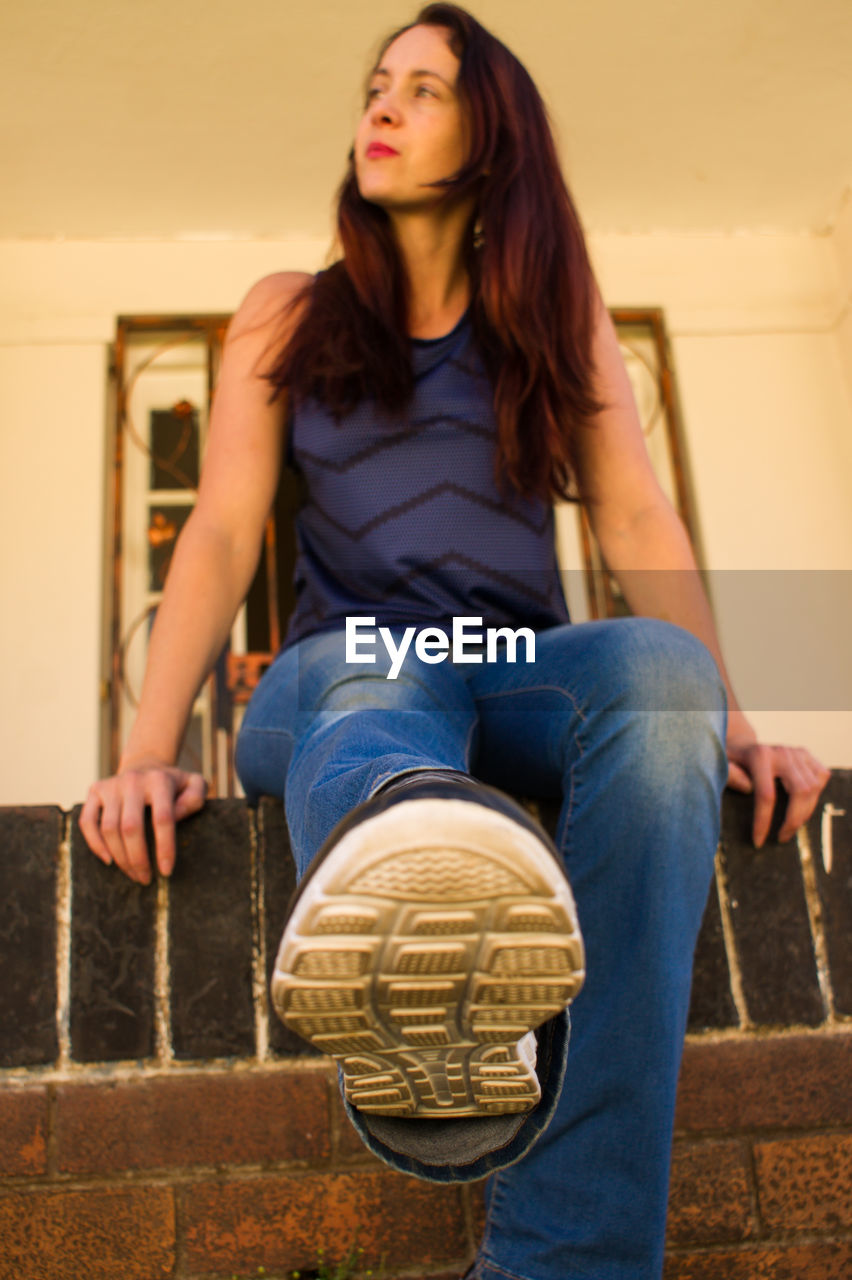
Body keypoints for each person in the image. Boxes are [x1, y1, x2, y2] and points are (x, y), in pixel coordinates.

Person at [81, 6, 830, 1277]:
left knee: (659, 680)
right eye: (378, 85)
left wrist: (732, 728)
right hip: (336, 683)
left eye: (423, 91)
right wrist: (147, 745)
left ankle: (564, 1256)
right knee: (388, 675)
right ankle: (403, 859)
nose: (380, 107)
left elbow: (640, 515)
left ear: (490, 145)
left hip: (511, 677)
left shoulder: (551, 320)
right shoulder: (285, 313)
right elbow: (216, 531)